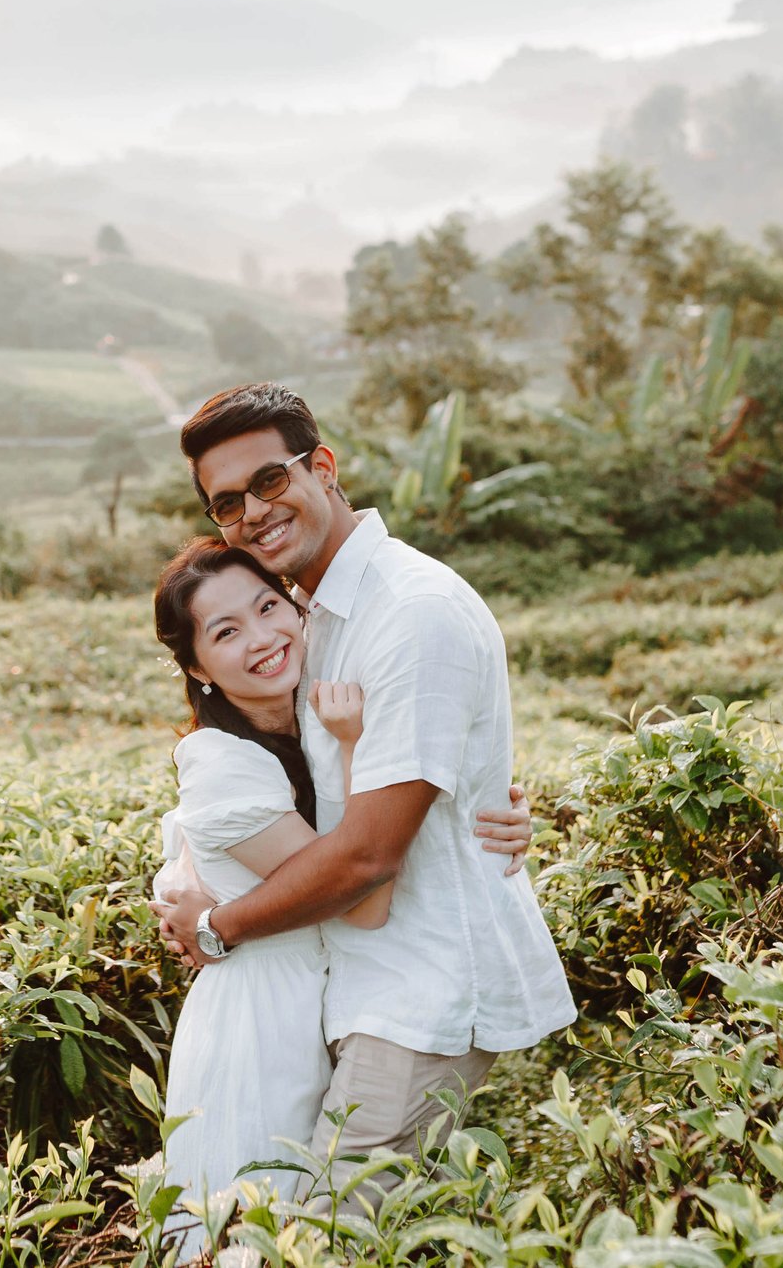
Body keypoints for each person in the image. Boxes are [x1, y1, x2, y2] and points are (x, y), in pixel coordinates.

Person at [151, 382, 576, 1205]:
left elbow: (371, 853)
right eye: (228, 502)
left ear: (324, 467)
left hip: (420, 992)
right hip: (355, 988)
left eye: (270, 480)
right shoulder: (315, 611)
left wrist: (215, 923)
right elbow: (273, 776)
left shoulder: (408, 612)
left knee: (324, 1236)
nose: (254, 512)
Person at [147, 538, 532, 1257]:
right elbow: (361, 895)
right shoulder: (227, 763)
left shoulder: (297, 727)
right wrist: (355, 744)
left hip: (323, 1006)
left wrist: (485, 812)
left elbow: (386, 815)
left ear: (297, 606)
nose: (261, 637)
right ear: (197, 666)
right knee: (261, 1227)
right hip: (260, 1027)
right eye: (226, 631)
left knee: (309, 1218)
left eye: (268, 606)